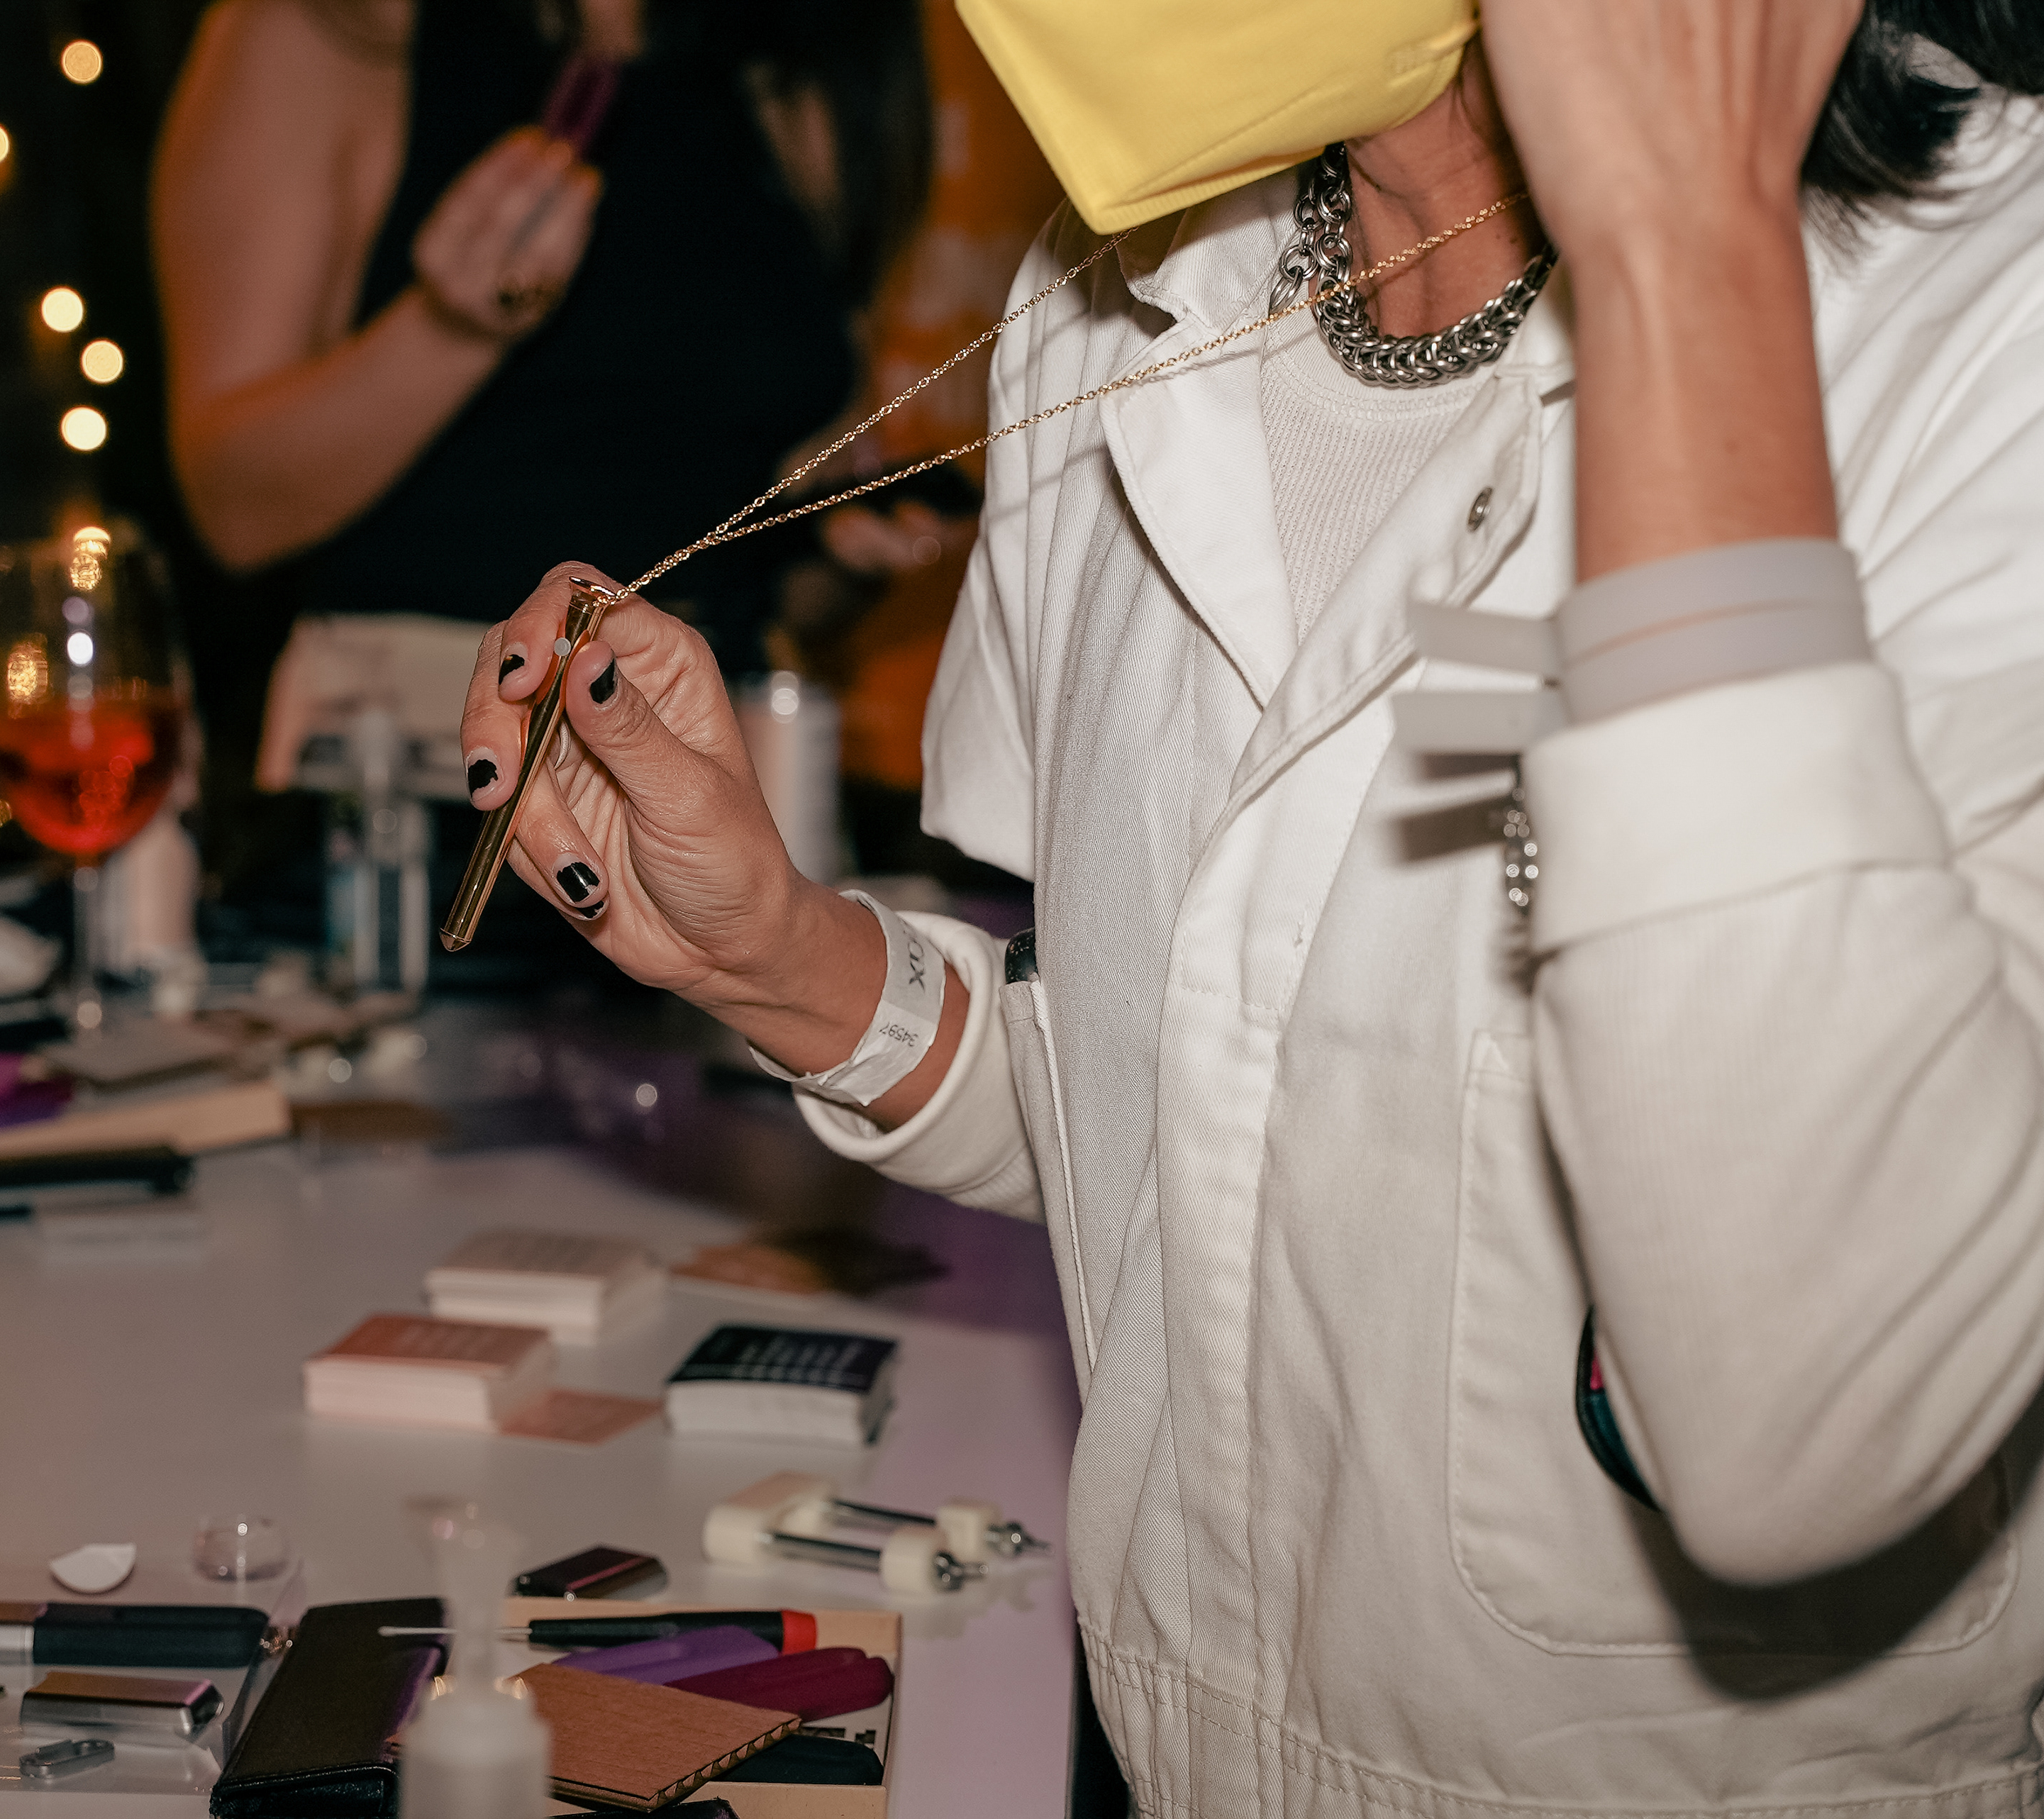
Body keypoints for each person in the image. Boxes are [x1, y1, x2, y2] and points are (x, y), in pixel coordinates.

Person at [461, 0, 2044, 1809]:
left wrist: (1685, 257)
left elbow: (1806, 1420)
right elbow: (1193, 1127)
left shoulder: (1991, 313)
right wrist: (788, 961)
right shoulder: (1111, 296)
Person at [152, 0, 930, 680]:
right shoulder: (333, 30)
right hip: (420, 760)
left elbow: (758, 577)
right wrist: (450, 331)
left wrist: (837, 557)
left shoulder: (797, 57)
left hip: (710, 754)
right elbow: (234, 508)